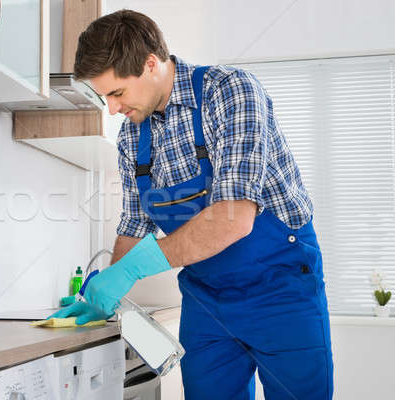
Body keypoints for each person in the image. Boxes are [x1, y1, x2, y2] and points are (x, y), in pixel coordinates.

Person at [49, 9, 333, 400]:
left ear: (150, 64)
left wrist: (130, 271)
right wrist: (104, 293)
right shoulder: (133, 138)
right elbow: (134, 226)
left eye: (116, 93)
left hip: (281, 292)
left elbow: (233, 218)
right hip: (206, 302)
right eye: (104, 97)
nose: (111, 109)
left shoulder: (230, 92)